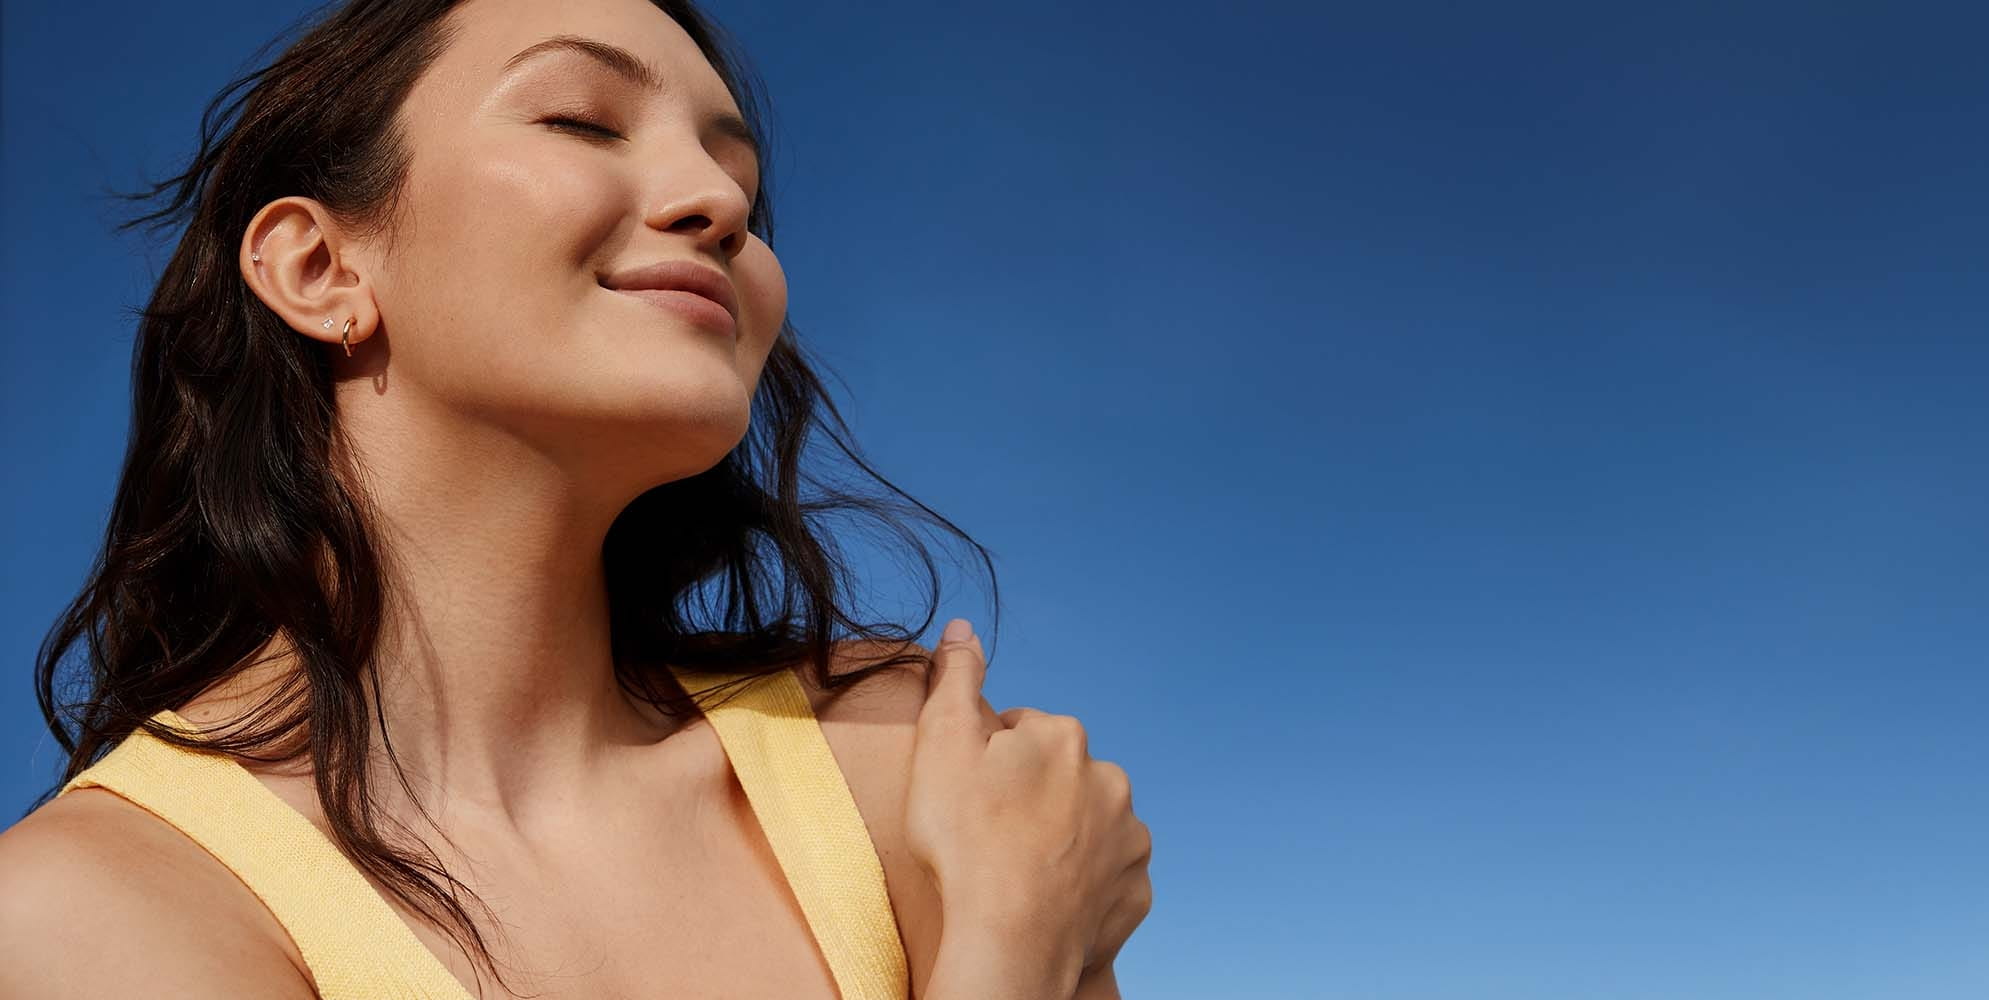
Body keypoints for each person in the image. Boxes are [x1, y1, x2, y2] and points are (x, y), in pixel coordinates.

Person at [0, 1, 1151, 997]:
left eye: (742, 181)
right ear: (319, 269)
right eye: (581, 119)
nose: (718, 203)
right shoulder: (95, 903)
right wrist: (1011, 952)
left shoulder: (894, 752)